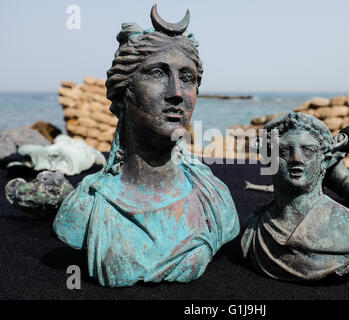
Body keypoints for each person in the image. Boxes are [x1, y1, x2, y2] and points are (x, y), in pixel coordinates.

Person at [53, 6, 239, 287]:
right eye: (157, 73)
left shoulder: (215, 199)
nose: (177, 92)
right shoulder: (86, 207)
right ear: (124, 91)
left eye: (187, 78)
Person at [241, 112, 349, 281]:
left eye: (308, 150)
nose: (296, 159)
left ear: (324, 161)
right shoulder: (253, 228)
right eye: (284, 150)